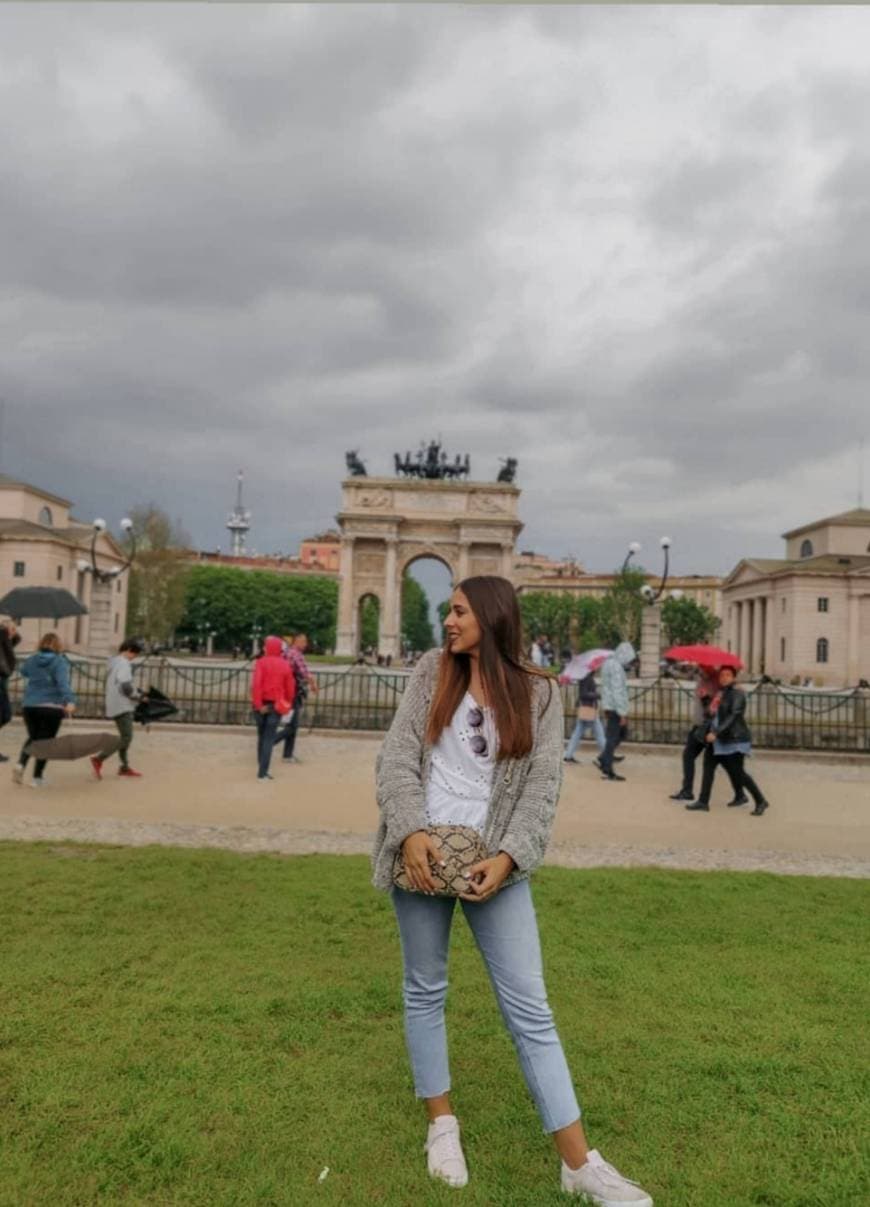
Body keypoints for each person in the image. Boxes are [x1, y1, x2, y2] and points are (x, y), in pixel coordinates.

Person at [373, 576, 653, 1204]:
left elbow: (542, 788)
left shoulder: (540, 693)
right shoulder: (429, 673)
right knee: (425, 989)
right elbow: (395, 758)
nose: (448, 621)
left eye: (459, 611)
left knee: (531, 1010)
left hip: (493, 863)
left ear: (492, 618)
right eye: (449, 610)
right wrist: (410, 833)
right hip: (422, 857)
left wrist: (508, 857)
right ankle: (442, 1125)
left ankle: (578, 1163)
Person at [686, 666, 769, 816]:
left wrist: (716, 732)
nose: (724, 677)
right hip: (717, 739)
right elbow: (711, 714)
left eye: (728, 675)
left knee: (738, 773)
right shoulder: (720, 693)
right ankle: (703, 802)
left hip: (733, 740)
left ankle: (760, 800)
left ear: (734, 677)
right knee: (708, 769)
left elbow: (734, 716)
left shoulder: (737, 694)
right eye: (722, 675)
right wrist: (705, 699)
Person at [11, 632, 76, 787]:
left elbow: (23, 672)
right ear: (58, 645)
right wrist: (70, 701)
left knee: (34, 738)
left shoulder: (32, 659)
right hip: (51, 707)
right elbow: (63, 683)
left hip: (30, 706)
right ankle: (37, 778)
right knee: (45, 743)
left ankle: (21, 764)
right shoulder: (60, 661)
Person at [91, 638, 147, 780]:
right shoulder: (124, 663)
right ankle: (99, 759)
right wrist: (139, 697)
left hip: (114, 702)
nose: (135, 656)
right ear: (128, 650)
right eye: (135, 653)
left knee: (124, 736)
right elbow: (125, 686)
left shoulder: (114, 662)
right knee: (127, 737)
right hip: (122, 705)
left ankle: (124, 767)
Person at [669, 666, 720, 802]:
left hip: (706, 727)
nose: (700, 668)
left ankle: (688, 791)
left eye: (703, 666)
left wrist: (706, 699)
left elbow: (716, 707)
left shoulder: (716, 682)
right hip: (699, 725)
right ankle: (687, 791)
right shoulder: (701, 678)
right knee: (689, 756)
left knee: (691, 756)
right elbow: (687, 675)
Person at [251, 636, 296, 781]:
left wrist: (258, 705)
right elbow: (290, 688)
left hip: (261, 704)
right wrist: (288, 703)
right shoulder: (285, 664)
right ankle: (262, 772)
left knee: (261, 736)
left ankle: (261, 765)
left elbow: (256, 685)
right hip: (275, 704)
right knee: (269, 738)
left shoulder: (260, 662)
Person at [596, 642, 636, 782]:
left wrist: (607, 707)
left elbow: (607, 688)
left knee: (617, 735)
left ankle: (604, 758)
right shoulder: (617, 667)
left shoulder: (608, 663)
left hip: (610, 706)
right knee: (614, 737)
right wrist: (623, 713)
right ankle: (608, 769)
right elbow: (618, 690)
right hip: (616, 708)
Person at [280, 633, 318, 763]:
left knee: (290, 723)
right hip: (293, 692)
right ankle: (271, 741)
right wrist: (314, 685)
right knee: (292, 725)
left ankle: (287, 754)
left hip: (285, 691)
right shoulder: (296, 654)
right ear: (296, 641)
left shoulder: (287, 652)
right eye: (303, 641)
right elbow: (305, 673)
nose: (305, 644)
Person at [563, 670, 606, 764]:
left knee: (578, 732)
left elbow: (582, 693)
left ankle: (568, 755)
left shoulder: (585, 677)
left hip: (586, 708)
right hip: (589, 708)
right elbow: (584, 694)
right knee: (599, 732)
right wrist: (597, 695)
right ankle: (606, 754)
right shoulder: (587, 678)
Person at [0, 616, 22, 762]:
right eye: (12, 628)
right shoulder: (1, 635)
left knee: (4, 715)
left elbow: (13, 643)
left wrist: (13, 634)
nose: (14, 631)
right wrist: (5, 629)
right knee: (5, 715)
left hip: (2, 681)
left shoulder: (4, 640)